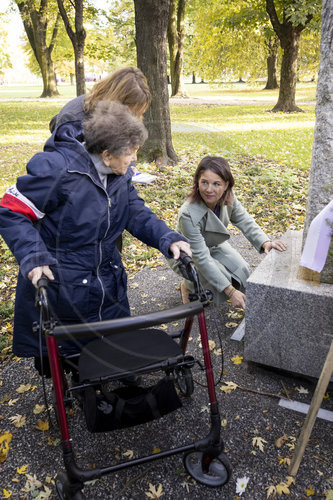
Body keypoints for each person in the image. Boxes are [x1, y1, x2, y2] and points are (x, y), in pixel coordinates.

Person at [0, 101, 191, 362]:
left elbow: (133, 211)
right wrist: (33, 256)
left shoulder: (118, 173)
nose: (135, 158)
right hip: (65, 286)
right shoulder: (57, 169)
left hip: (107, 282)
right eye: (131, 151)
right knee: (73, 362)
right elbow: (11, 210)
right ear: (106, 153)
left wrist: (166, 237)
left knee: (114, 353)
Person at [171, 156, 286, 309]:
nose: (209, 189)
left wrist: (265, 242)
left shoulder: (228, 198)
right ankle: (189, 285)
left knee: (242, 270)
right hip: (187, 255)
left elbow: (245, 220)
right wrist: (230, 291)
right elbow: (201, 257)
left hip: (213, 245)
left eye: (216, 184)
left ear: (226, 185)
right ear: (197, 182)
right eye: (204, 182)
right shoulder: (187, 213)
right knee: (220, 279)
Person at [49, 66, 151, 132]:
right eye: (131, 113)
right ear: (116, 101)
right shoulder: (74, 119)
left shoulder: (116, 118)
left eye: (136, 114)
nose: (133, 118)